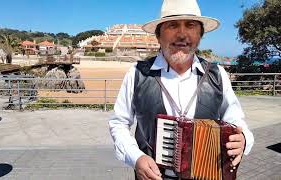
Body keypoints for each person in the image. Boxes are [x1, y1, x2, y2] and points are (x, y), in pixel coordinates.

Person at [108, 0, 254, 179]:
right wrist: (136, 157)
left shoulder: (218, 75)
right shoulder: (136, 74)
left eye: (191, 25)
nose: (182, 34)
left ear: (200, 34)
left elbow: (236, 121)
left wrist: (244, 140)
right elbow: (118, 123)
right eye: (173, 25)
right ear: (158, 35)